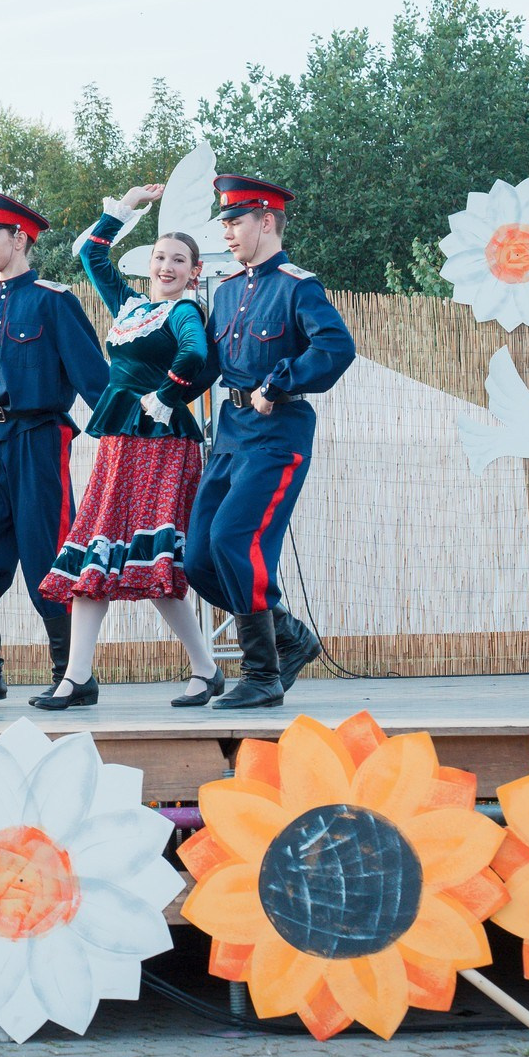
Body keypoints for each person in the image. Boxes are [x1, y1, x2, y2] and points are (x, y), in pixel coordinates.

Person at [33, 185, 223, 709]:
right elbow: (90, 253)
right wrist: (126, 207)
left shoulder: (185, 311)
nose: (166, 265)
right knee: (98, 554)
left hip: (160, 443)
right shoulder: (132, 305)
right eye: (160, 256)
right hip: (120, 443)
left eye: (177, 260)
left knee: (152, 560)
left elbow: (196, 353)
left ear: (194, 271)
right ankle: (78, 677)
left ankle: (205, 669)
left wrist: (164, 396)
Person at [185, 175, 355, 708]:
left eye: (235, 221)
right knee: (198, 559)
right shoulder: (229, 289)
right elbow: (208, 366)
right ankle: (289, 634)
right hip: (230, 435)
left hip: (278, 433)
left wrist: (277, 384)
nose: (227, 231)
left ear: (266, 221)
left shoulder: (298, 286)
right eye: (225, 222)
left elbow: (335, 349)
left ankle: (263, 674)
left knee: (236, 542)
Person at [0, 192, 109, 707]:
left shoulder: (53, 300)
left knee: (48, 555)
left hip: (39, 438)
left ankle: (72, 675)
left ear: (20, 239)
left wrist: (123, 436)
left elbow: (94, 380)